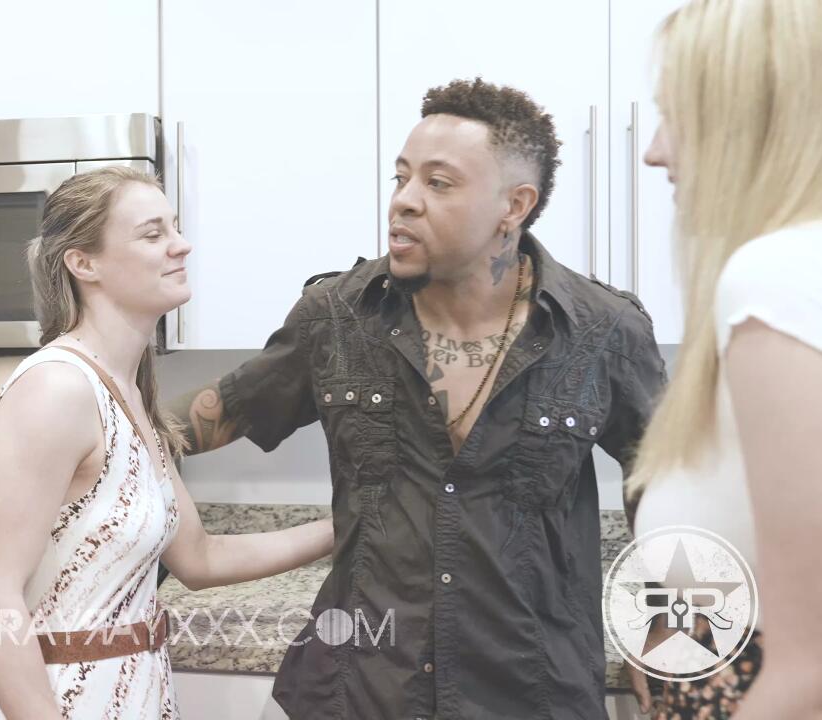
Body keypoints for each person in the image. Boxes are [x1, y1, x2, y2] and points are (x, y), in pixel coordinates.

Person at [167, 78, 667, 718]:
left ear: (514, 205)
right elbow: (213, 415)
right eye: (401, 177)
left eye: (438, 183)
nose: (403, 200)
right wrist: (82, 403)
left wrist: (675, 624)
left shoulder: (602, 331)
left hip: (530, 693)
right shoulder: (337, 316)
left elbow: (672, 479)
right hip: (362, 691)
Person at [0, 166, 334, 720]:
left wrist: (347, 525)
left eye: (174, 227)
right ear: (84, 264)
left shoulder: (127, 392)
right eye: (152, 233)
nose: (181, 245)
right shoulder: (57, 389)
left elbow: (199, 558)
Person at [625, 0, 822, 717]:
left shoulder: (775, 280)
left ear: (748, 121)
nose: (654, 151)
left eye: (674, 115)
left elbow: (813, 675)